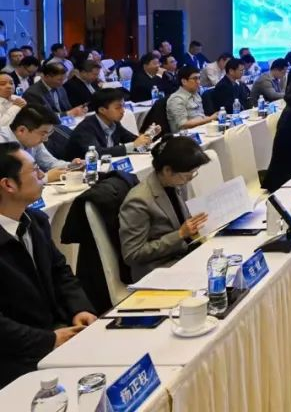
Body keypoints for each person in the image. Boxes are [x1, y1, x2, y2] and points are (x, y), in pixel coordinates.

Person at [0, 143, 96, 386]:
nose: (42, 175)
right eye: (34, 170)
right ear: (8, 185)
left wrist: (79, 309)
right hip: (13, 356)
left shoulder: (36, 220)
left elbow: (59, 271)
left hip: (54, 332)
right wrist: (49, 340)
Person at [118, 136, 210, 281]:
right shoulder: (139, 200)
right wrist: (180, 234)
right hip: (158, 268)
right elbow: (132, 254)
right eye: (187, 175)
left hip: (185, 255)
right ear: (167, 170)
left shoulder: (177, 183)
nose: (190, 179)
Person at [66, 89, 151, 160]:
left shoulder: (114, 122)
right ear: (102, 110)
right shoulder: (86, 128)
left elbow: (131, 139)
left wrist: (148, 135)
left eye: (123, 106)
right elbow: (98, 153)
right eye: (118, 108)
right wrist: (133, 145)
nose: (123, 111)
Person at [0, 106, 71, 182]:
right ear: (22, 130)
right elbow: (9, 183)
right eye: (43, 134)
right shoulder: (2, 143)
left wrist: (71, 166)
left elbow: (50, 163)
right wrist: (45, 178)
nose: (46, 139)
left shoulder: (32, 140)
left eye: (48, 134)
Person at [166, 67, 214, 132]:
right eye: (195, 79)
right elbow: (183, 124)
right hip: (185, 135)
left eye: (199, 78)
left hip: (202, 129)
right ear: (184, 81)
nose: (198, 82)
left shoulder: (196, 94)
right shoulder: (176, 99)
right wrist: (210, 118)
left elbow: (201, 116)